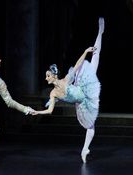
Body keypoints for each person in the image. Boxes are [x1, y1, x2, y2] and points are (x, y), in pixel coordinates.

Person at [31, 17, 104, 163]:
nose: (46, 78)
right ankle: (85, 149)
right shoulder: (53, 93)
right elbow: (50, 111)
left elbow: (77, 65)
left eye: (48, 76)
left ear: (54, 75)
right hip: (81, 103)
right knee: (90, 125)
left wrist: (85, 51)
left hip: (83, 87)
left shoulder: (65, 79)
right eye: (46, 76)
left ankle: (100, 32)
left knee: (95, 57)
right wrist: (37, 112)